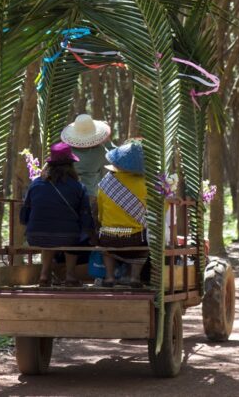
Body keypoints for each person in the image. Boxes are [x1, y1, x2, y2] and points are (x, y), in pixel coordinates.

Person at [20, 142, 95, 287]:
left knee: (49, 236)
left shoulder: (36, 184)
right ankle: (70, 276)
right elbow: (85, 216)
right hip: (67, 237)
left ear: (49, 165)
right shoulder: (78, 187)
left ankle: (44, 275)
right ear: (71, 165)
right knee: (76, 237)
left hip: (36, 235)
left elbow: (24, 215)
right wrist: (90, 233)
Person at [96, 139, 147, 286]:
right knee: (144, 245)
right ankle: (134, 278)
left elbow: (100, 214)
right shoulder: (146, 184)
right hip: (135, 239)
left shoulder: (105, 183)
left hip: (108, 237)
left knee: (105, 245)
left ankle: (109, 277)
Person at [61, 113, 112, 189]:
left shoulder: (66, 152)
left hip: (70, 191)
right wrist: (108, 142)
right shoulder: (100, 151)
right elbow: (112, 161)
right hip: (91, 193)